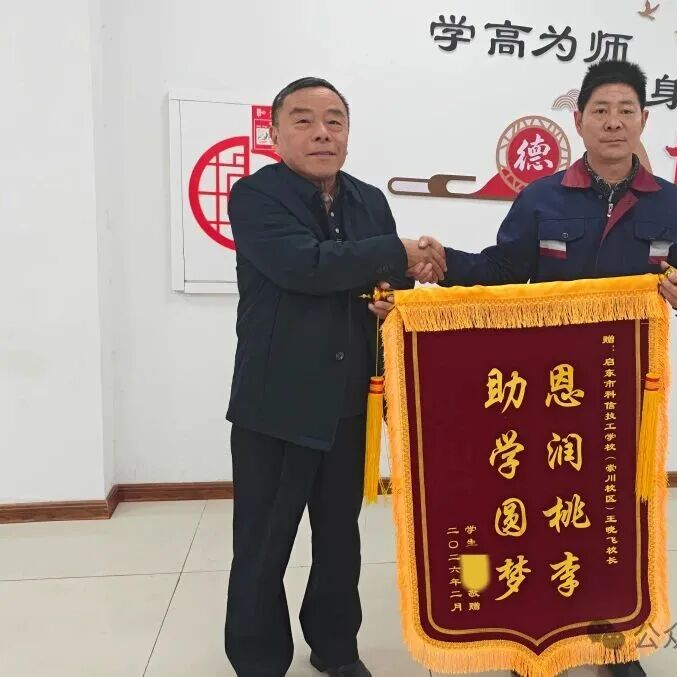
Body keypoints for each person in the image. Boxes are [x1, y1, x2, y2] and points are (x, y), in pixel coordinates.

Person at [413, 59, 677, 676]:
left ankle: (615, 639)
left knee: (617, 515)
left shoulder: (672, 204)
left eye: (625, 110)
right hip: (544, 390)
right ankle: (538, 634)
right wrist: (445, 264)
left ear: (644, 120)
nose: (613, 122)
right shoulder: (541, 198)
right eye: (600, 110)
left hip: (622, 390)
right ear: (578, 121)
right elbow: (503, 271)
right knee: (541, 508)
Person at [223, 76, 446, 677]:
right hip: (278, 403)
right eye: (303, 120)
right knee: (264, 543)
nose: (321, 132)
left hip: (353, 402)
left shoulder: (369, 200)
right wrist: (395, 253)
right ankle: (259, 660)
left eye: (334, 121)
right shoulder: (256, 196)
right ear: (275, 134)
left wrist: (393, 295)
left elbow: (386, 284)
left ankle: (336, 649)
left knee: (340, 539)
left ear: (348, 133)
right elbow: (305, 265)